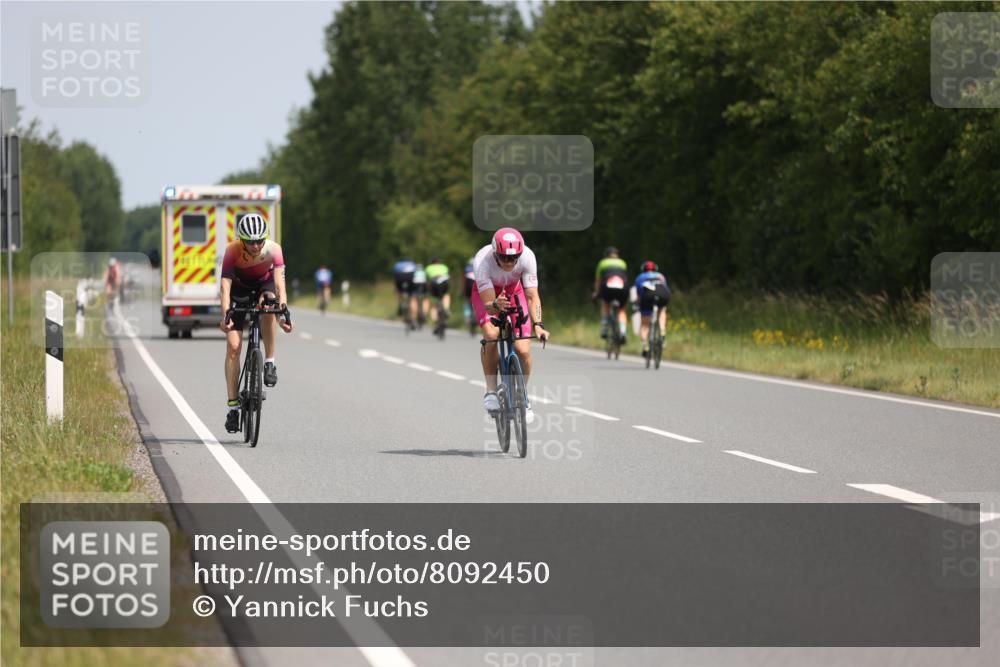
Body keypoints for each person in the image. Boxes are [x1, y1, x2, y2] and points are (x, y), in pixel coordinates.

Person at [219, 213, 293, 433]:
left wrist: (283, 314)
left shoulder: (274, 249)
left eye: (260, 240)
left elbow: (280, 284)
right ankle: (233, 409)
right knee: (233, 347)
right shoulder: (232, 251)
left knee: (270, 304)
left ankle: (269, 362)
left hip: (264, 285)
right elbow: (225, 288)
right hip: (239, 290)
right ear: (241, 239)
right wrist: (226, 315)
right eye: (251, 241)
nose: (256, 245)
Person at [473, 228, 550, 423]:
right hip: (490, 295)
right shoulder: (482, 261)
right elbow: (490, 307)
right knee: (491, 335)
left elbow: (532, 295)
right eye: (503, 258)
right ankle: (490, 391)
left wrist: (538, 325)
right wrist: (496, 305)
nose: (508, 262)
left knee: (523, 349)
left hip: (515, 292)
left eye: (513, 258)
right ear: (494, 253)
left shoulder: (528, 257)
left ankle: (522, 396)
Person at [634, 260, 671, 359]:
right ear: (655, 269)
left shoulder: (640, 278)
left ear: (643, 269)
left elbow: (639, 296)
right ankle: (662, 330)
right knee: (662, 311)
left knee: (645, 325)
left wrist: (637, 305)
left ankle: (645, 346)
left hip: (648, 297)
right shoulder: (661, 276)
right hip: (663, 295)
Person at [592, 246, 629, 342]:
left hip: (607, 288)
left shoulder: (602, 263)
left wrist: (596, 293)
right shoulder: (622, 263)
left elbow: (598, 281)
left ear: (606, 255)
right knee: (621, 310)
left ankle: (604, 328)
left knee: (605, 304)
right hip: (622, 288)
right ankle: (623, 332)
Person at [425, 257, 451, 329]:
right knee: (446, 295)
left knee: (433, 304)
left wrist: (427, 290)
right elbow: (448, 277)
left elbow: (426, 280)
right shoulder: (444, 267)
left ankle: (436, 321)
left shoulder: (428, 268)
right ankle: (446, 309)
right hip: (444, 282)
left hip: (433, 283)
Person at [393, 258, 418, 328]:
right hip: (410, 280)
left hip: (400, 279)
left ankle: (400, 304)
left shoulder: (397, 265)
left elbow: (394, 275)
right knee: (413, 299)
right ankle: (413, 319)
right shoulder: (413, 265)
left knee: (398, 291)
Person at [463, 257, 477, 335]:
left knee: (468, 302)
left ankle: (468, 318)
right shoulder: (480, 267)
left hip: (468, 285)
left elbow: (464, 281)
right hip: (477, 285)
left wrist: (463, 292)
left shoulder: (467, 268)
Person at [413, 263, 428, 327]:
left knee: (413, 300)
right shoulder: (424, 273)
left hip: (415, 286)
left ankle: (414, 315)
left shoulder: (414, 273)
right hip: (423, 285)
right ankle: (424, 313)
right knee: (425, 299)